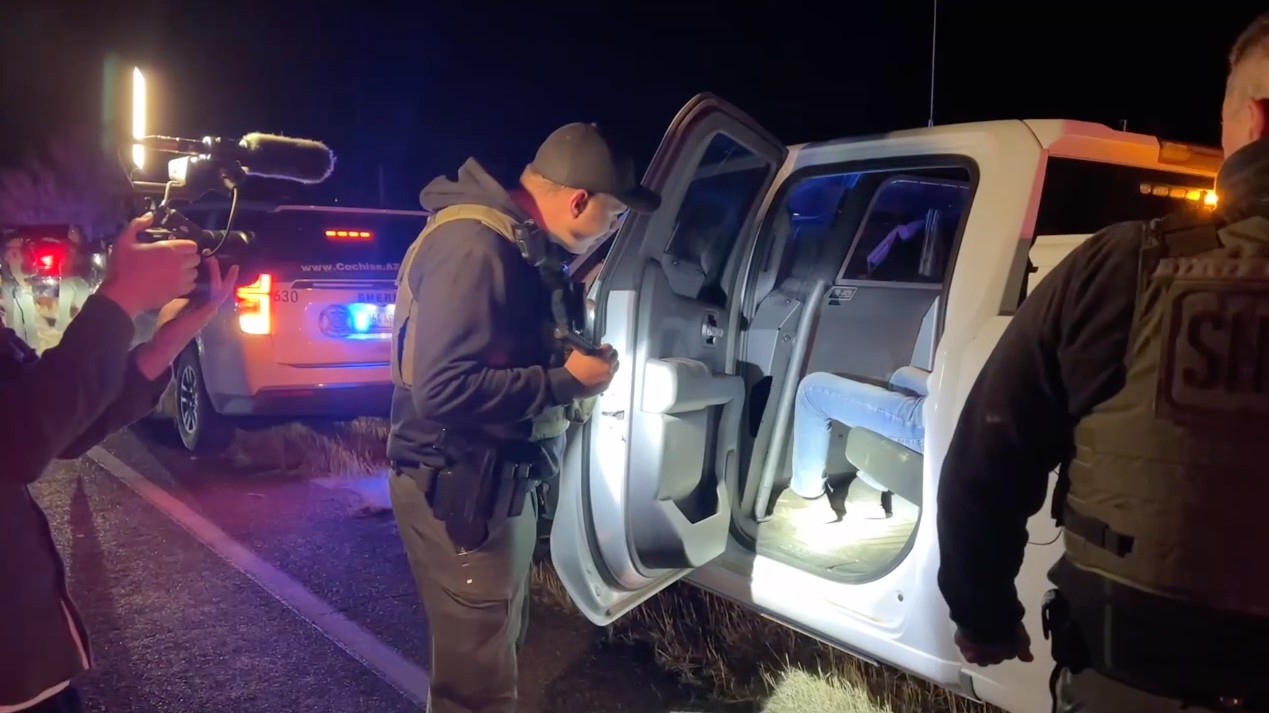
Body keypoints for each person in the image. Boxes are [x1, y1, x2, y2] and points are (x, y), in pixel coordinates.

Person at [936, 13, 1269, 712]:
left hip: (1127, 679)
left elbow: (988, 458)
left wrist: (983, 616)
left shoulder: (1124, 266)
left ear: (1255, 120)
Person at [387, 122, 661, 713]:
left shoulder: (517, 242)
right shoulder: (476, 247)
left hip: (485, 482)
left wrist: (570, 361)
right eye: (615, 215)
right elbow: (442, 390)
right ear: (579, 200)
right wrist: (568, 382)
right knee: (476, 688)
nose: (614, 229)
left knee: (490, 650)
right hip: (460, 489)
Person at [0, 213, 239, 713]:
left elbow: (60, 424)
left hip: (28, 663)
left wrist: (173, 335)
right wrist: (121, 298)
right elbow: (21, 440)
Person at [785, 367, 928, 519]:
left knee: (810, 391)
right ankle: (866, 493)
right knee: (902, 378)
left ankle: (808, 497)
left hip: (932, 423)